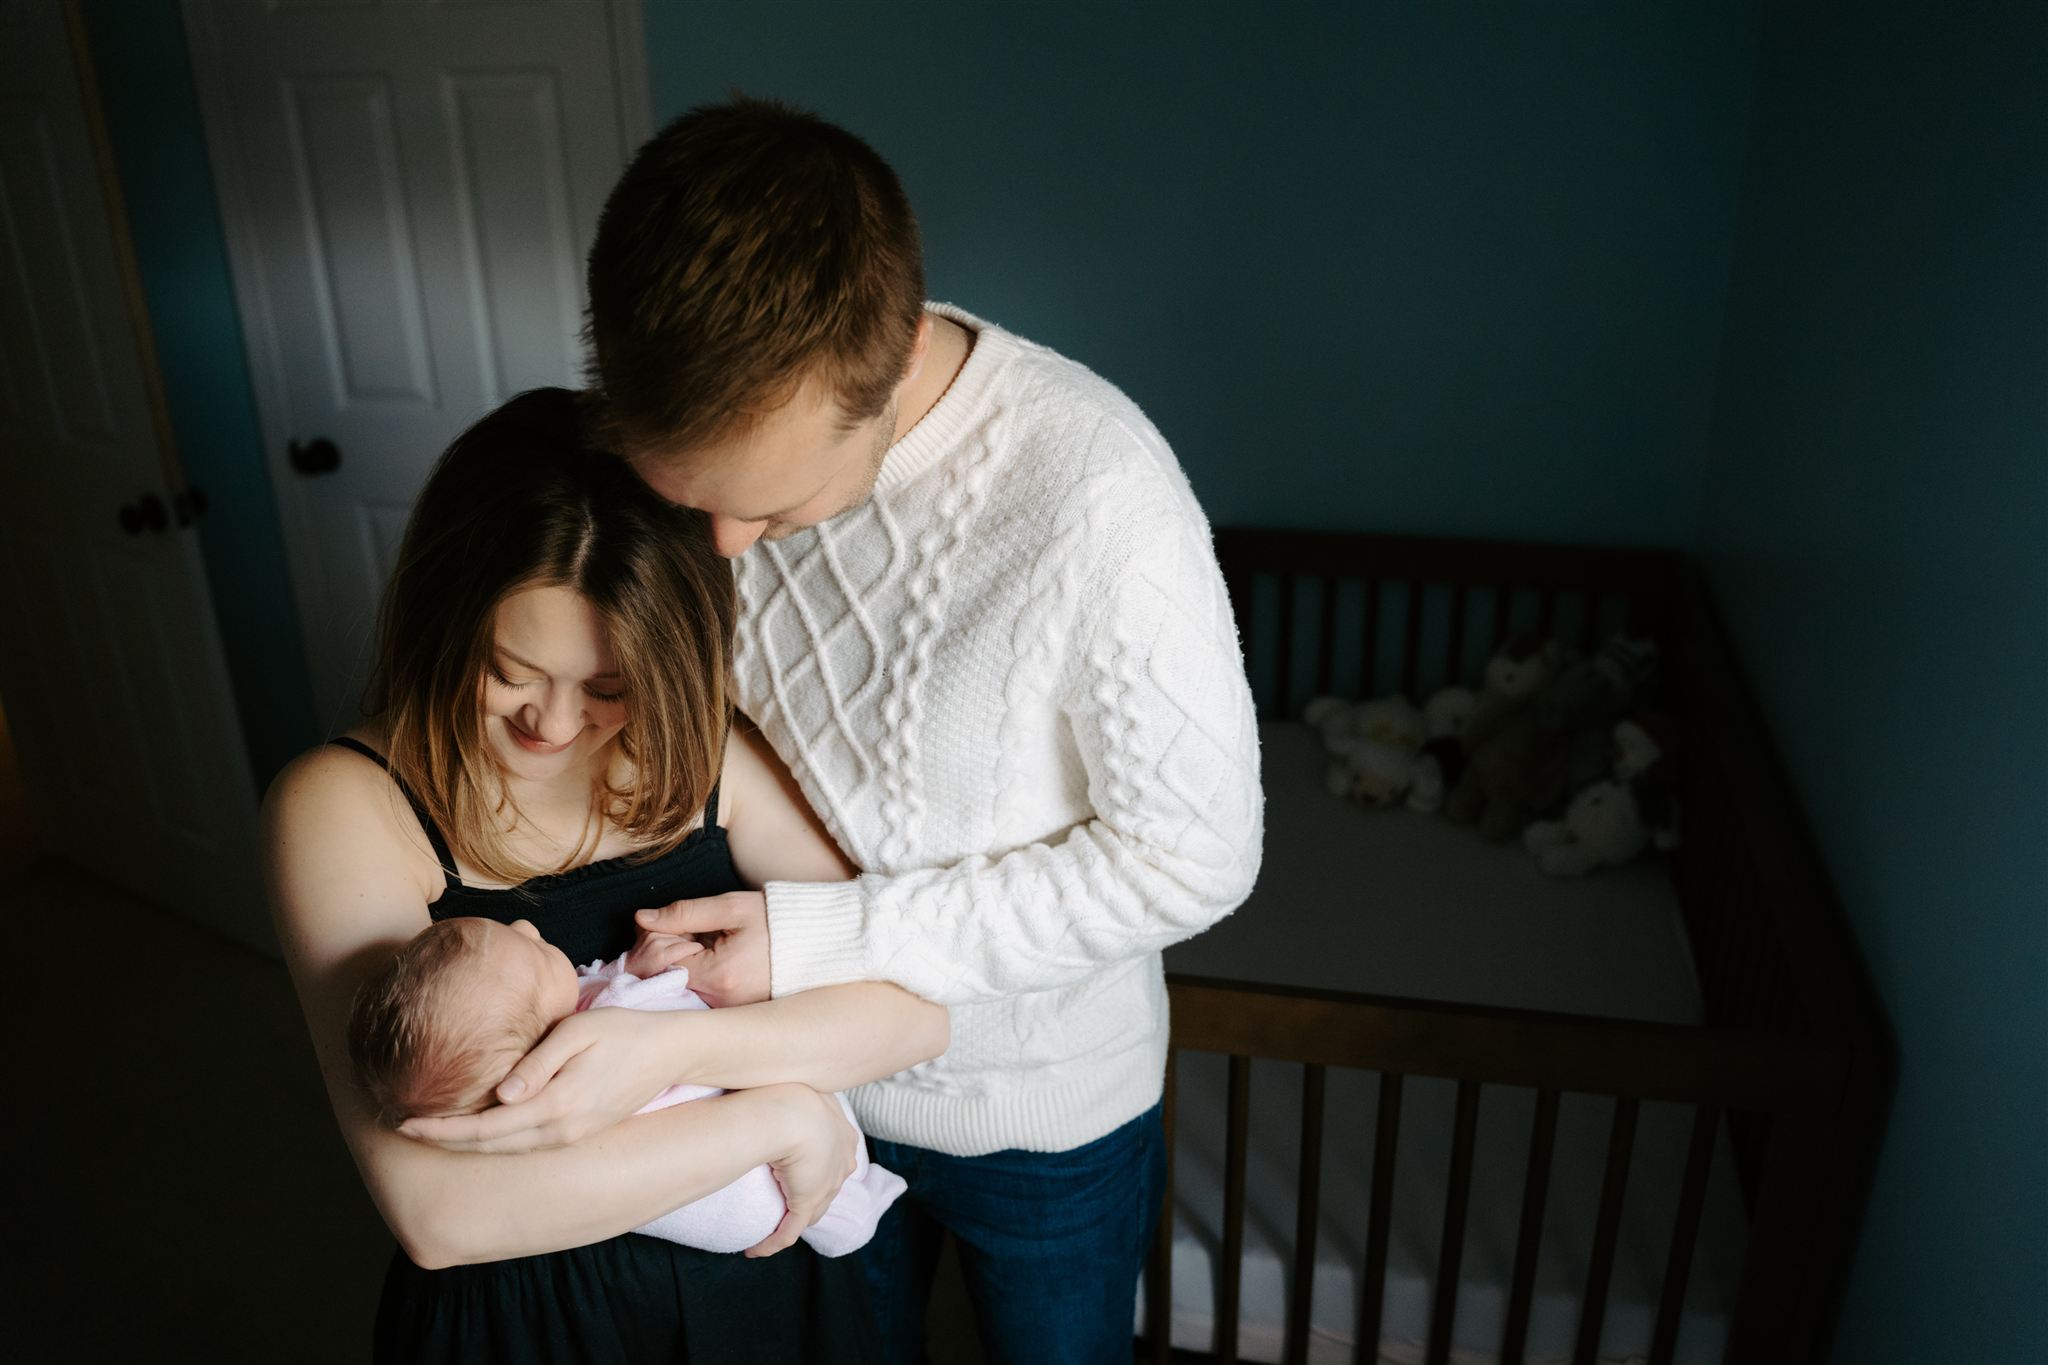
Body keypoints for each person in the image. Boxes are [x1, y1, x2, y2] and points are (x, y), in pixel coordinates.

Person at [408, 99, 1266, 1363]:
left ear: (891, 362)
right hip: (790, 1083)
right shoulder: (692, 478)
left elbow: (1193, 858)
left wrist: (835, 936)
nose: (724, 552)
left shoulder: (1097, 495)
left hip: (1040, 1112)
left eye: (778, 509)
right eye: (687, 498)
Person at [262, 386, 947, 1365]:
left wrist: (657, 1058)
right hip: (534, 1316)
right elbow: (441, 1212)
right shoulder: (343, 806)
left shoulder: (707, 756)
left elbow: (910, 1016)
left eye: (609, 687)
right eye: (508, 669)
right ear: (440, 624)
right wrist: (782, 1112)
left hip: (766, 1279)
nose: (552, 724)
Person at [347, 914, 905, 1256]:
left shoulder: (542, 1023)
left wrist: (629, 968)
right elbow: (650, 1004)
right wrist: (663, 972)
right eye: (541, 956)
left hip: (737, 1167)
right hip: (742, 1199)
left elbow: (602, 987)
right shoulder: (585, 1042)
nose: (529, 927)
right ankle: (851, 1210)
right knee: (825, 1161)